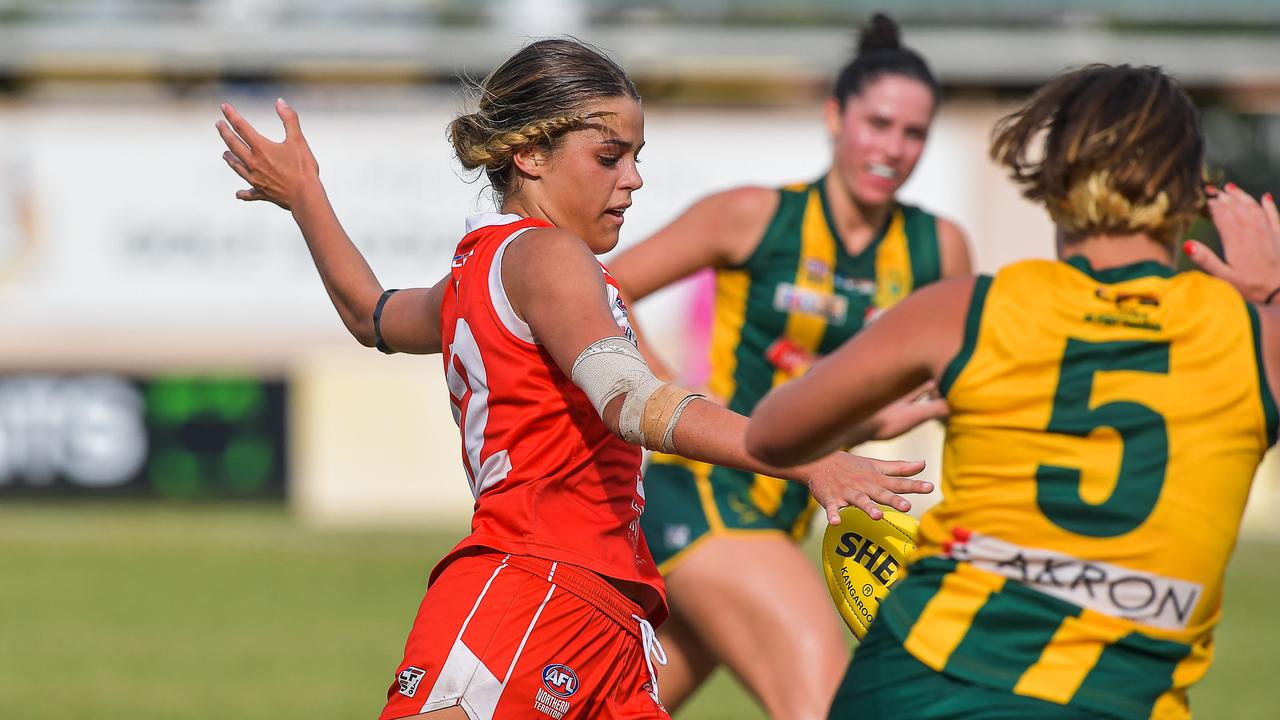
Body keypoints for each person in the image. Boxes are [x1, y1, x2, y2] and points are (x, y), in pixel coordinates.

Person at [214, 38, 931, 720]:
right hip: (532, 593)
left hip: (604, 617)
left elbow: (370, 314)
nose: (634, 178)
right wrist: (807, 460)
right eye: (610, 156)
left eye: (637, 157)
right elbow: (632, 402)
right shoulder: (548, 255)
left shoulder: (480, 268)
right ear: (528, 153)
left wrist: (306, 195)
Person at [747, 63, 1279, 719]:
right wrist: (1267, 298)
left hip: (921, 682)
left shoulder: (967, 310)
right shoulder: (1254, 339)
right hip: (1116, 701)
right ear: (1188, 190)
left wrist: (868, 415)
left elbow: (770, 433)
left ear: (1054, 177)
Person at [604, 13, 969, 717]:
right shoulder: (754, 216)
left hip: (783, 512)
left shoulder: (938, 249)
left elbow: (949, 384)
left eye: (913, 133)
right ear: (835, 116)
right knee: (834, 708)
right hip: (705, 496)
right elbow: (602, 288)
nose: (892, 148)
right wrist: (668, 391)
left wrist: (874, 421)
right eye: (878, 123)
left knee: (617, 710)